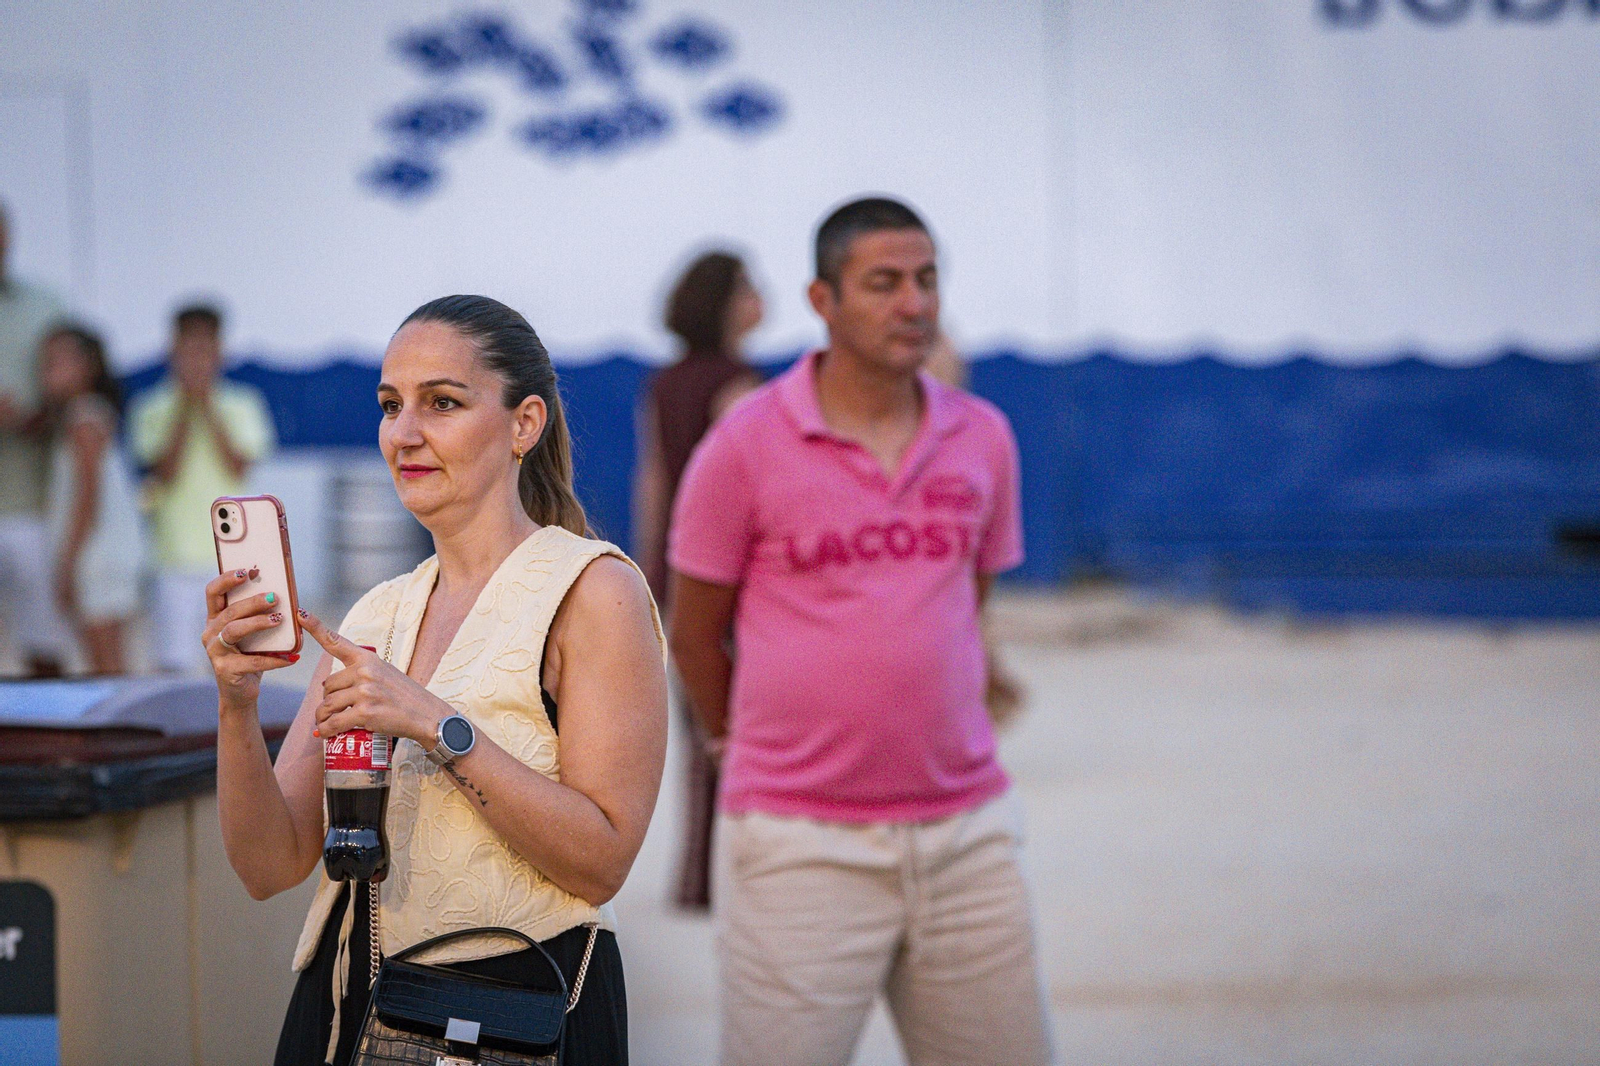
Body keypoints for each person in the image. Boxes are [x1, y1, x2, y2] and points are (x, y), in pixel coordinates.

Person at [203, 295, 667, 1066]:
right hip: (346, 1006)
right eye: (391, 405)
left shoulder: (593, 589)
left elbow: (602, 859)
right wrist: (235, 704)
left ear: (525, 425)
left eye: (442, 403)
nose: (405, 433)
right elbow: (268, 864)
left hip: (513, 1013)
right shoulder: (377, 614)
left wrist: (438, 725)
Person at [668, 197, 1055, 1066]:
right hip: (800, 845)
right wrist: (744, 744)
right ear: (822, 298)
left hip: (970, 837)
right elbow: (694, 634)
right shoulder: (745, 444)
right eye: (883, 283)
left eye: (926, 281)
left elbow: (969, 596)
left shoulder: (983, 437)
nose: (915, 304)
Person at [633, 249, 763, 911]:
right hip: (730, 579)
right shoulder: (739, 385)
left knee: (694, 730)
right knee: (735, 722)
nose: (761, 298)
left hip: (676, 570)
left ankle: (695, 879)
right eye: (749, 288)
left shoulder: (664, 383)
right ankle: (737, 874)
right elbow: (746, 493)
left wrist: (650, 567)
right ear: (725, 303)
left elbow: (653, 479)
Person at [130, 303, 275, 673]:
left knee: (235, 662)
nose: (196, 360)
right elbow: (162, 472)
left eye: (205, 350)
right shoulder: (150, 406)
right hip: (171, 554)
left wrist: (207, 404)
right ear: (172, 352)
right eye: (188, 350)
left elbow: (238, 467)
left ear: (219, 353)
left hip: (232, 553)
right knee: (173, 664)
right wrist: (184, 407)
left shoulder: (243, 402)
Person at [38, 324, 147, 674]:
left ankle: (121, 729)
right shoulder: (88, 414)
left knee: (106, 662)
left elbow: (87, 497)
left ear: (89, 366)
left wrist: (66, 565)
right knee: (107, 659)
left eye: (59, 362)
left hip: (97, 556)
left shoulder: (83, 417)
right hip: (102, 552)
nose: (49, 372)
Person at [0, 201, 73, 676]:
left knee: (44, 645)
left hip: (32, 505)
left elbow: (72, 390)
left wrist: (34, 417)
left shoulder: (46, 306)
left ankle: (51, 748)